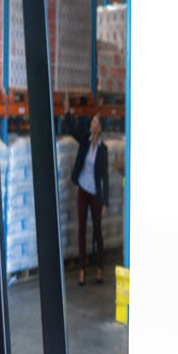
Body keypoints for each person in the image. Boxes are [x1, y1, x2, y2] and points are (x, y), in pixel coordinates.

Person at [64, 94, 109, 286]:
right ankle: (82, 270)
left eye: (94, 122)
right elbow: (72, 130)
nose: (91, 123)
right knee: (82, 229)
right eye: (92, 121)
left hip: (95, 194)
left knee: (97, 230)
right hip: (83, 188)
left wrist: (105, 201)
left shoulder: (103, 150)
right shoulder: (85, 138)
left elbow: (105, 177)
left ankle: (99, 267)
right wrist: (67, 111)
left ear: (99, 128)